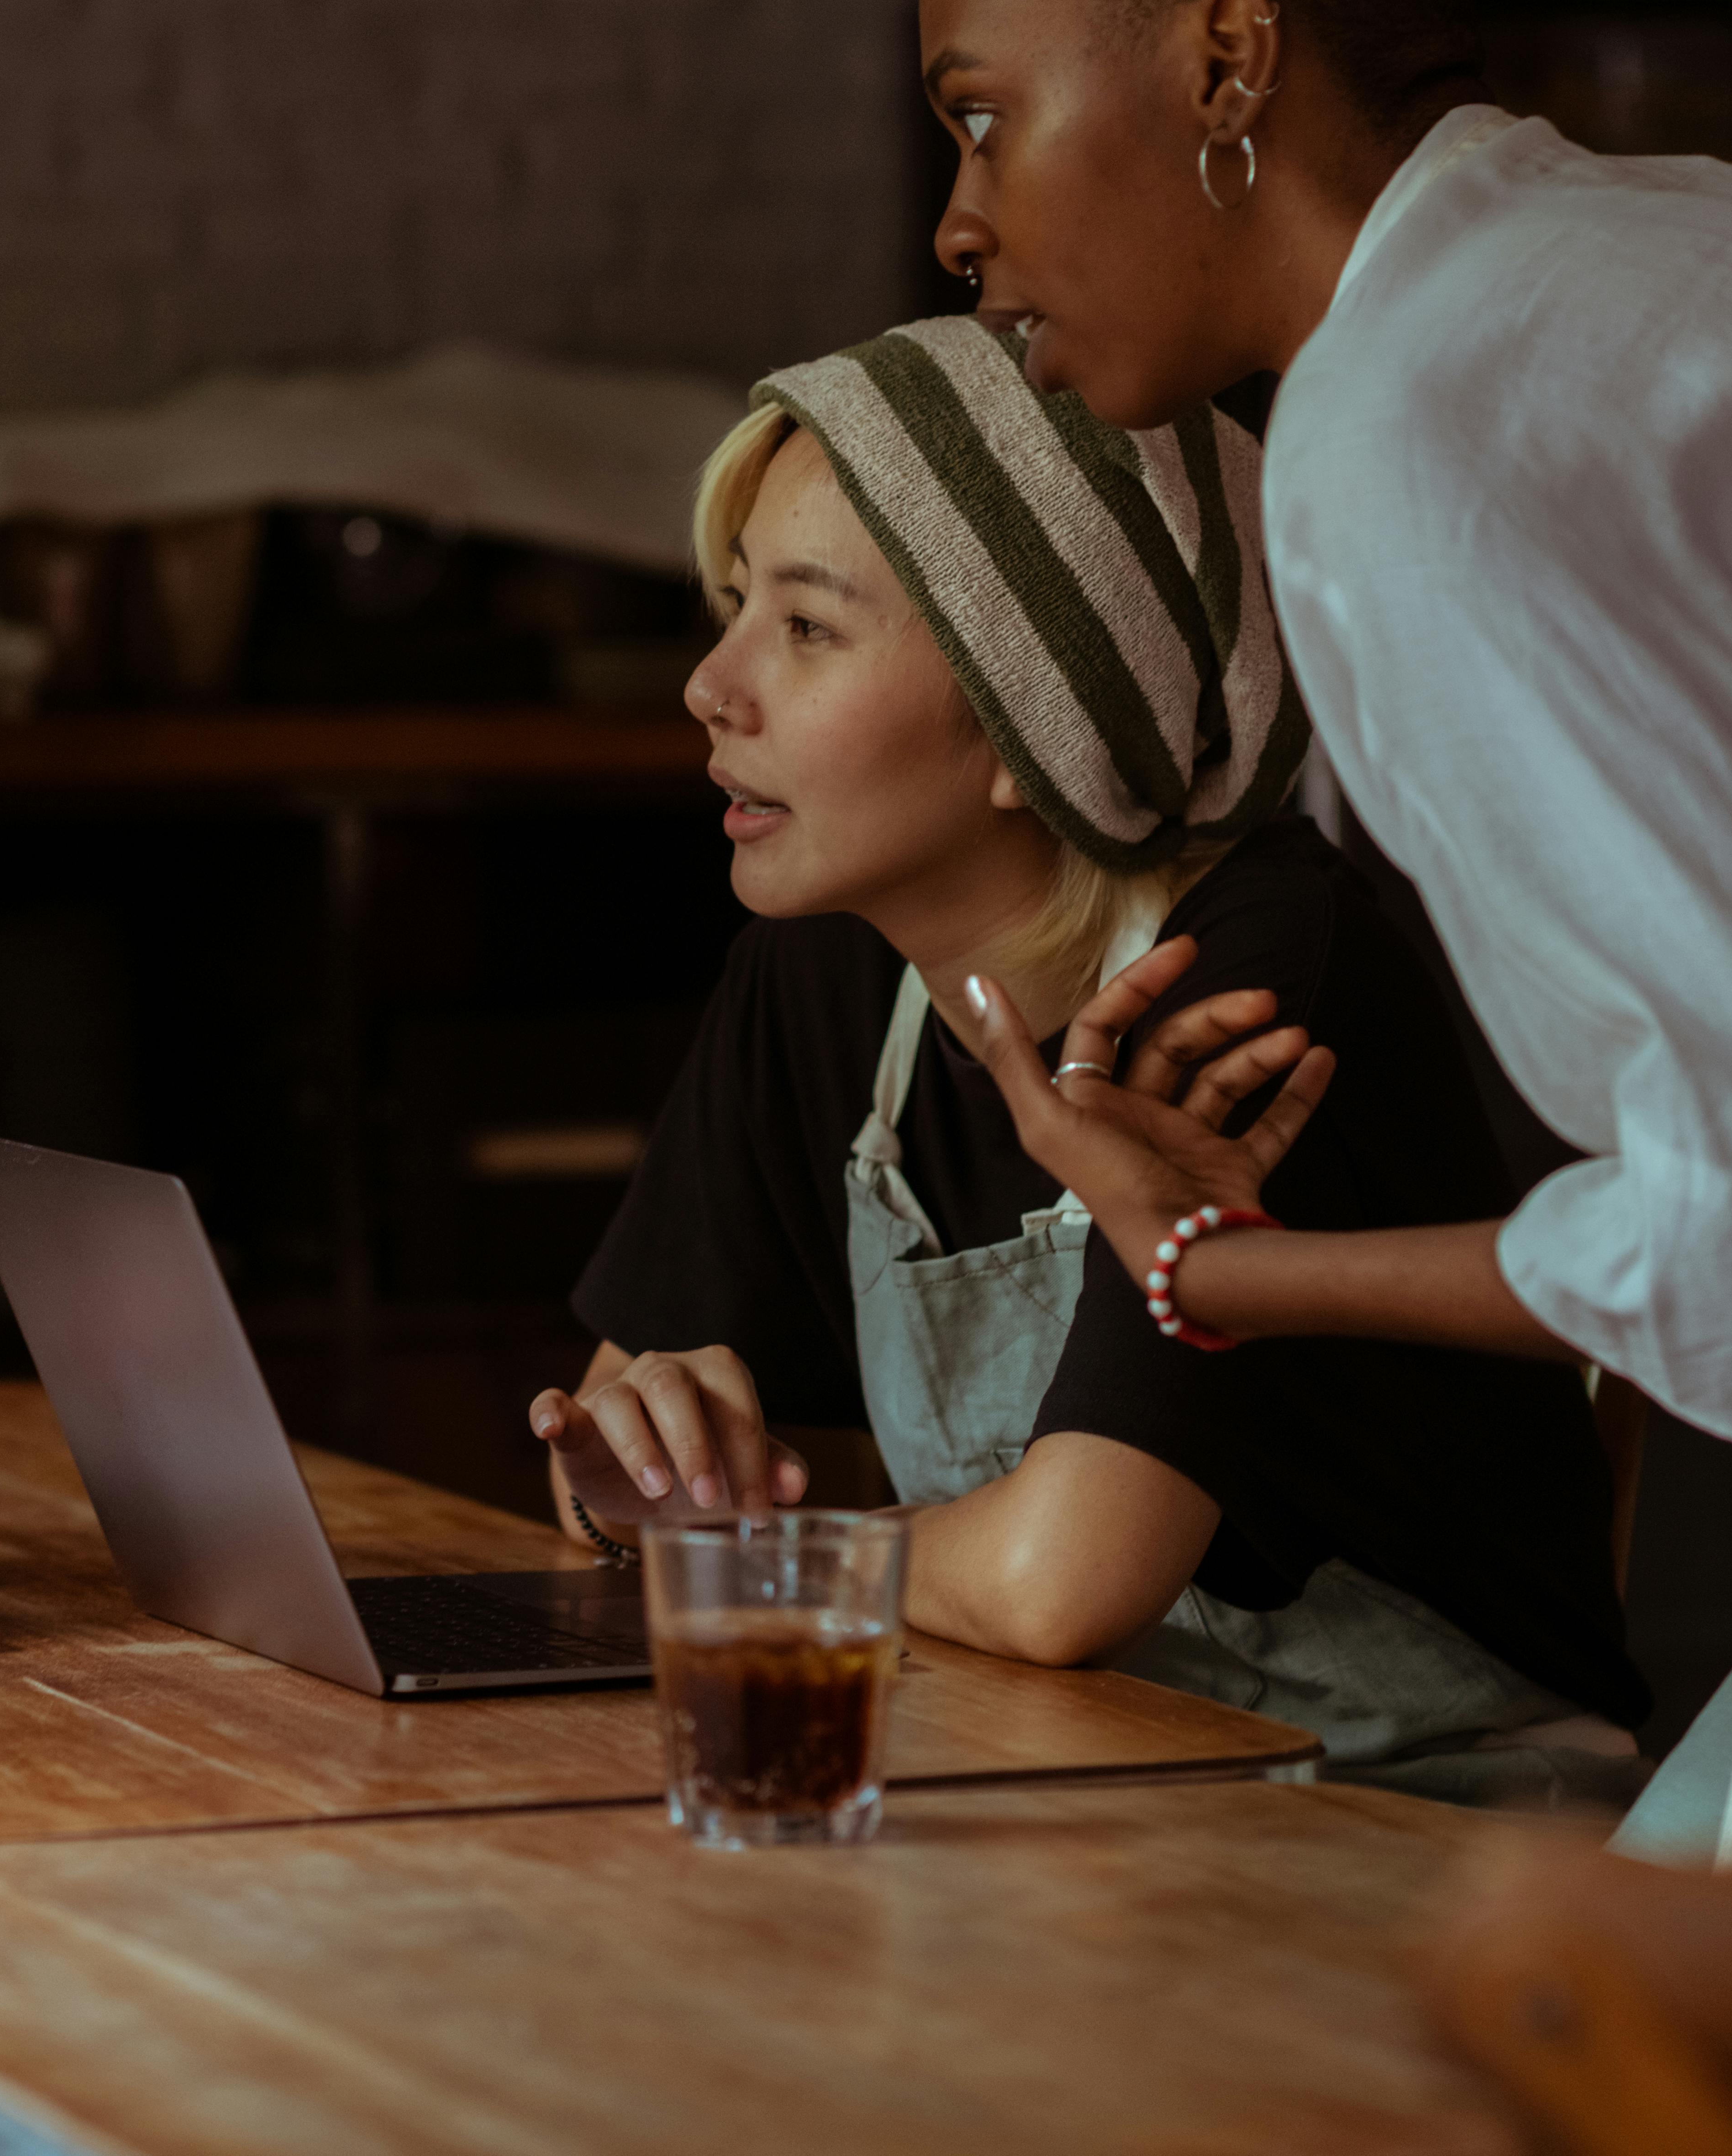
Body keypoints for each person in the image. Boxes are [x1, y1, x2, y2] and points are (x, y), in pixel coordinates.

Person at [908, 0, 1732, 1862]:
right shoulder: (1702, 242)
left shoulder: (1406, 431)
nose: (953, 224)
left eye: (981, 118)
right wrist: (1225, 1280)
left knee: (1717, 2050)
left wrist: (1230, 1270)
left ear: (1224, 61)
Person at [531, 313, 1646, 1804]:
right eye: (733, 608)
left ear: (1031, 722)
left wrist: (730, 1557)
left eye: (803, 627)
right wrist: (635, 1479)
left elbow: (1065, 1581)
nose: (709, 685)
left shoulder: (1249, 960)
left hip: (1424, 1811)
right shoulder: (822, 960)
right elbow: (611, 1455)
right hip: (1060, 1775)